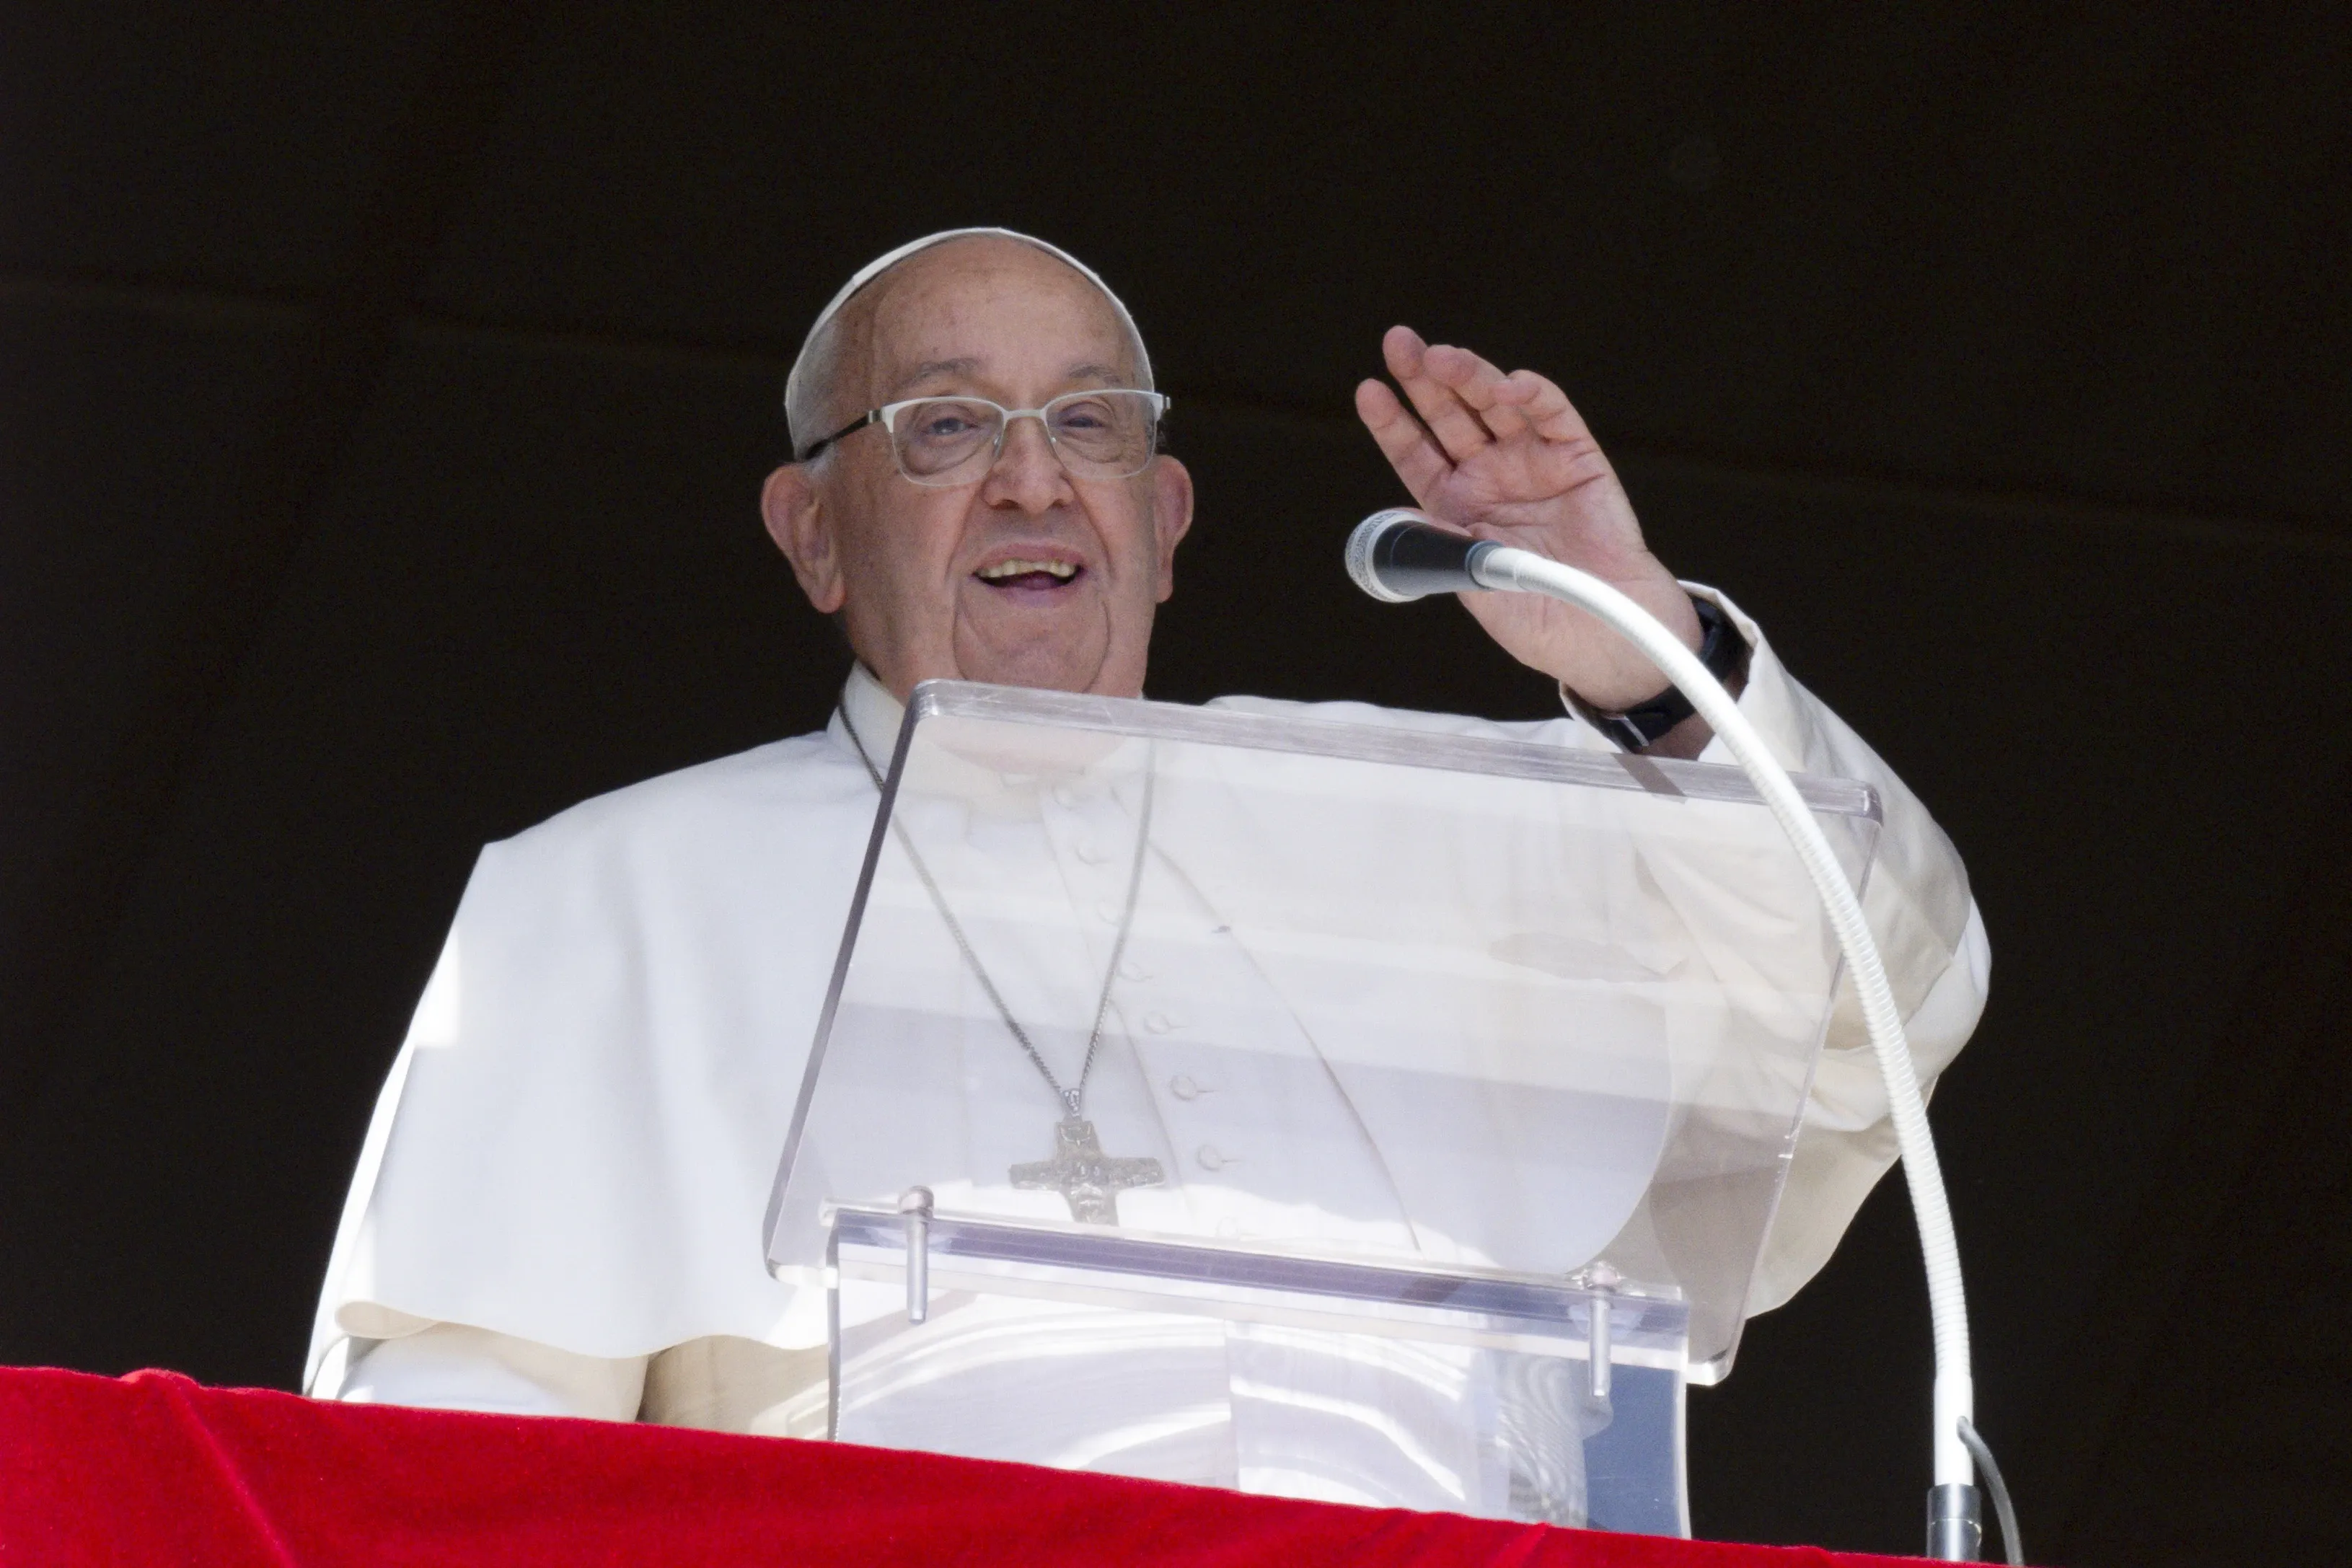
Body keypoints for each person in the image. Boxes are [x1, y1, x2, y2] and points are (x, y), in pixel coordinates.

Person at [310, 229, 1987, 1443]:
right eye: (949, 426)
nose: (1034, 483)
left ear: (1164, 523)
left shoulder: (1408, 824)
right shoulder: (615, 898)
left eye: (1091, 422)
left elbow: (1876, 1005)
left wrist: (1637, 651)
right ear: (814, 533)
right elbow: (456, 1470)